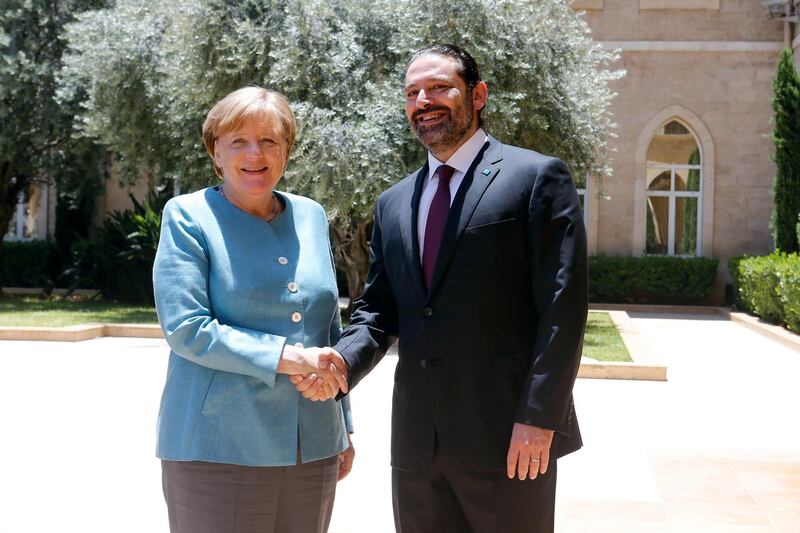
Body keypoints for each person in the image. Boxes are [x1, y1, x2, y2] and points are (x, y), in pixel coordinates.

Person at [293, 44, 588, 532]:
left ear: (478, 95)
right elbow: (378, 311)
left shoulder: (536, 178)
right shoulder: (393, 203)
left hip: (509, 440)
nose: (423, 100)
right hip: (417, 446)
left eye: (439, 87)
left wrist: (540, 418)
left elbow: (564, 309)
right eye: (412, 92)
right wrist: (341, 361)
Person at [153, 86, 354, 533]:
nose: (255, 153)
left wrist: (342, 426)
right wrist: (289, 357)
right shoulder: (187, 216)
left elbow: (329, 327)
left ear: (286, 151)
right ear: (215, 152)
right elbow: (187, 328)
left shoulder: (311, 214)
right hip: (217, 446)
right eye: (238, 141)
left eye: (269, 141)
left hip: (313, 445)